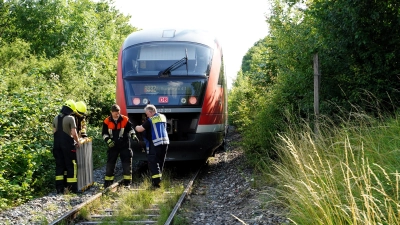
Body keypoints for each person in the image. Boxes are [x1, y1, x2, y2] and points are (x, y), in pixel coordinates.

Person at [102, 104, 138, 188]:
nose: (117, 115)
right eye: (115, 113)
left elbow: (130, 129)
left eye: (118, 113)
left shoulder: (125, 119)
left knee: (126, 164)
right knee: (110, 164)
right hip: (112, 146)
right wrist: (108, 140)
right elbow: (104, 133)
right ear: (111, 112)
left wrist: (133, 135)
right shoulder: (107, 121)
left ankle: (127, 183)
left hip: (124, 145)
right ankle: (108, 183)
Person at [135, 104, 169, 188]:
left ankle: (156, 182)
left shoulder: (151, 119)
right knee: (160, 161)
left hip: (155, 143)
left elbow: (140, 129)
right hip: (165, 142)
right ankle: (158, 180)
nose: (147, 116)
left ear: (151, 112)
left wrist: (135, 126)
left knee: (152, 162)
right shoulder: (163, 116)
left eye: (147, 114)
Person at [52, 99, 80, 194]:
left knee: (60, 166)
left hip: (57, 146)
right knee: (71, 166)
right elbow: (74, 133)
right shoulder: (70, 118)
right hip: (67, 146)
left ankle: (60, 188)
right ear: (71, 110)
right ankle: (72, 189)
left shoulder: (55, 118)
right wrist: (78, 141)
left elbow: (54, 132)